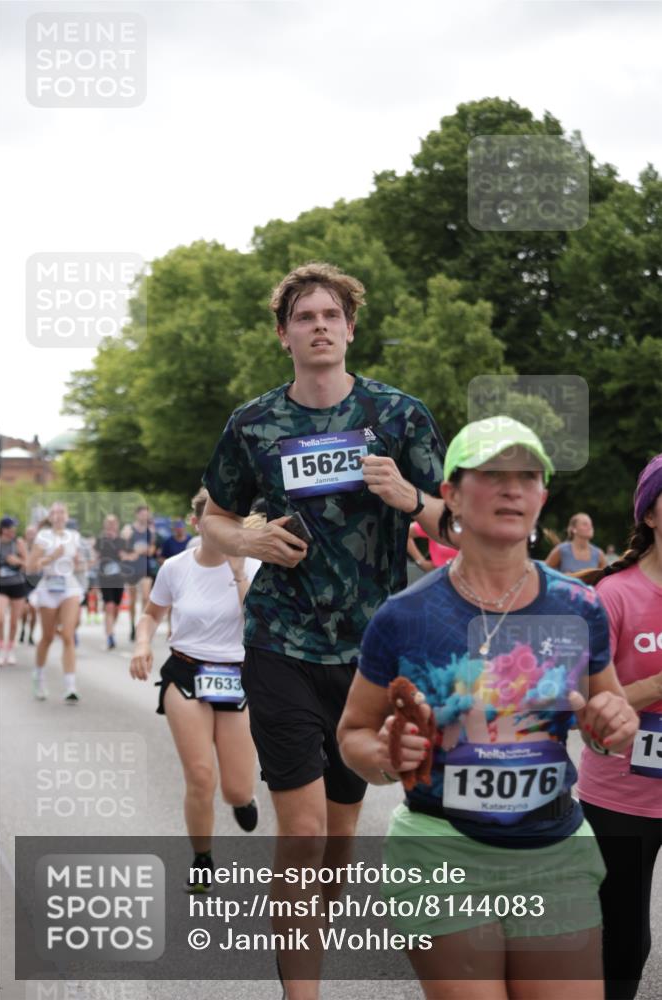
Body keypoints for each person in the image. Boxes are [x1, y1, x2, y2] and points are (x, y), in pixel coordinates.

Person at [200, 262, 445, 997]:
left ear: (350, 328)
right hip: (279, 641)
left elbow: (457, 519)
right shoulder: (253, 424)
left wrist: (409, 498)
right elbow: (210, 516)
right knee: (301, 834)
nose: (318, 327)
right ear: (284, 335)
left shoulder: (398, 416)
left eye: (329, 315)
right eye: (303, 317)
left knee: (339, 840)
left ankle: (305, 937)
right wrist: (248, 540)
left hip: (370, 656)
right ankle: (301, 991)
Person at [338, 416, 639, 1000]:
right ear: (450, 494)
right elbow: (354, 733)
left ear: (542, 497)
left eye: (527, 475)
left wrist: (610, 726)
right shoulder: (404, 615)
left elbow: (610, 717)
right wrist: (384, 754)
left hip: (554, 847)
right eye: (492, 473)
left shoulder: (579, 606)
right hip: (440, 848)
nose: (512, 488)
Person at [129, 487, 259, 887]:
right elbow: (151, 614)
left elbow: (256, 622)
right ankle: (202, 859)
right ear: (197, 523)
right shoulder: (175, 567)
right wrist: (142, 643)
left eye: (233, 522)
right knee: (201, 776)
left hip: (237, 677)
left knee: (236, 789)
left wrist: (238, 571)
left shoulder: (252, 566)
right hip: (186, 673)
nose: (225, 530)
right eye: (217, 521)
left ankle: (242, 799)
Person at [577, 454, 662, 1000]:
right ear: (651, 514)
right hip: (622, 794)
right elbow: (590, 712)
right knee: (625, 940)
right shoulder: (614, 595)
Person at [27, 502, 85, 702]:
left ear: (67, 516)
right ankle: (39, 677)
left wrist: (80, 563)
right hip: (48, 589)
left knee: (68, 635)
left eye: (62, 512)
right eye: (54, 512)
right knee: (48, 637)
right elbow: (31, 566)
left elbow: (78, 563)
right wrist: (51, 557)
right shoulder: (43, 537)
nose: (58, 516)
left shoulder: (75, 537)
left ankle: (70, 686)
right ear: (50, 517)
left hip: (69, 586)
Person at [122, 504, 157, 641]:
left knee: (146, 597)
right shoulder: (129, 529)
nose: (145, 516)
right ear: (137, 515)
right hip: (132, 568)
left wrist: (142, 550)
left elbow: (152, 550)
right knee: (132, 600)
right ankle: (132, 625)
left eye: (146, 514)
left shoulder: (150, 531)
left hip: (145, 567)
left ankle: (142, 626)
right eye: (142, 513)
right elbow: (122, 548)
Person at [0, 517, 27, 665]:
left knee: (14, 622)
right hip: (0, 585)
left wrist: (18, 561)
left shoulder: (19, 543)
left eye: (15, 528)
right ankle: (1, 649)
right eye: (11, 528)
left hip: (17, 584)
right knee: (0, 619)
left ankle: (10, 649)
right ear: (4, 529)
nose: (13, 531)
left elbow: (28, 564)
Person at [95, 515, 128, 650]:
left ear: (117, 525)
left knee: (116, 608)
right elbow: (95, 556)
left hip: (119, 578)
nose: (111, 525)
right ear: (105, 525)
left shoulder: (122, 541)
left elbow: (128, 557)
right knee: (109, 606)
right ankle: (110, 636)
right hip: (105, 578)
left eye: (113, 523)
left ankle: (110, 628)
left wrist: (125, 556)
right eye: (108, 523)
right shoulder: (101, 540)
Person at [19, 524, 42, 646]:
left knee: (33, 610)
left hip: (36, 583)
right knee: (24, 610)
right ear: (26, 534)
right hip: (23, 582)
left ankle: (31, 635)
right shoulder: (21, 546)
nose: (31, 535)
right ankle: (22, 629)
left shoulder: (40, 548)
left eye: (33, 533)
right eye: (29, 533)